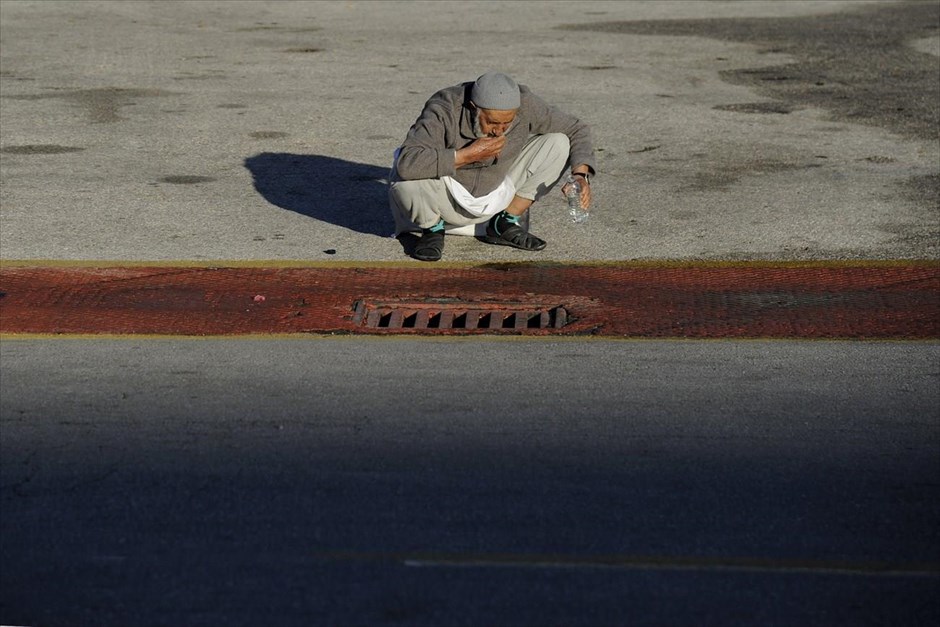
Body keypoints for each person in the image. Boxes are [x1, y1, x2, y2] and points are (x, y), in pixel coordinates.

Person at [388, 71, 596, 261]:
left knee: (558, 142)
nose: (499, 131)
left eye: (507, 123)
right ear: (473, 108)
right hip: (446, 200)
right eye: (492, 123)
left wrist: (580, 175)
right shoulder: (445, 106)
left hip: (497, 192)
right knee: (407, 177)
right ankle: (432, 229)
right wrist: (466, 155)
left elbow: (576, 128)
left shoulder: (525, 103)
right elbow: (407, 162)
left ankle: (504, 222)